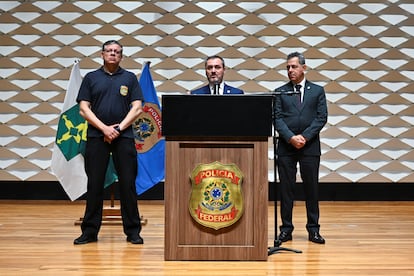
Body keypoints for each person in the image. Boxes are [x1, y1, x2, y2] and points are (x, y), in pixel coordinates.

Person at [74, 40, 144, 245]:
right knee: (94, 185)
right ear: (102, 54)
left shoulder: (130, 78)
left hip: (125, 138)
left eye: (117, 52)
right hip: (97, 137)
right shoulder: (91, 78)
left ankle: (133, 232)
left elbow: (137, 107)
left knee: (128, 185)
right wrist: (104, 129)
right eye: (109, 51)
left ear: (121, 56)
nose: (113, 54)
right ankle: (89, 232)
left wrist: (118, 129)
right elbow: (83, 109)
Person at [274, 52, 328, 244]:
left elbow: (321, 117)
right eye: (288, 67)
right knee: (286, 190)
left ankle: (313, 229)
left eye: (294, 67)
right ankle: (286, 230)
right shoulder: (280, 91)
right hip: (286, 147)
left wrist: (304, 137)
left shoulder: (317, 91)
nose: (290, 70)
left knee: (311, 189)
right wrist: (290, 138)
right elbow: (277, 118)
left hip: (310, 146)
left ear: (304, 68)